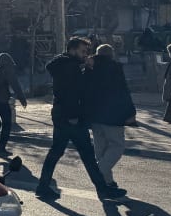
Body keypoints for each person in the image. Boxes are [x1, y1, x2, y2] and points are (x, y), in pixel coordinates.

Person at [35, 38, 126, 201]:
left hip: (63, 115)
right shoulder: (70, 68)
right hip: (71, 117)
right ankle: (103, 189)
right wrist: (73, 117)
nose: (86, 55)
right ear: (73, 50)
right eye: (83, 51)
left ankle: (43, 187)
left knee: (60, 153)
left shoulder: (64, 65)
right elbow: (71, 93)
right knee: (85, 155)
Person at [84, 44, 137, 190]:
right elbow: (122, 91)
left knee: (100, 149)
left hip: (94, 114)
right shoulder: (114, 68)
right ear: (111, 54)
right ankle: (99, 173)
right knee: (117, 146)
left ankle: (107, 182)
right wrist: (131, 111)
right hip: (112, 113)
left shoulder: (89, 67)